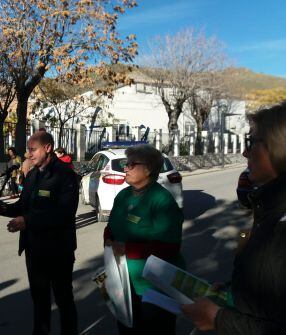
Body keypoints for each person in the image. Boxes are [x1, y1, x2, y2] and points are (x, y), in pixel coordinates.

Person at [182, 102, 286, 334]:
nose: (244, 152)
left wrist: (218, 319)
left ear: (279, 146)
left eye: (251, 142)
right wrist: (233, 292)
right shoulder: (268, 209)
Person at [0, 131, 79, 335]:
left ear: (48, 148)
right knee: (39, 301)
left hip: (58, 250)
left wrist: (27, 221)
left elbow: (64, 214)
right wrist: (6, 209)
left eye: (33, 150)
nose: (28, 154)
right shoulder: (33, 174)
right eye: (27, 150)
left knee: (63, 300)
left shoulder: (65, 175)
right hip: (34, 249)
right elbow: (24, 205)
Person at [103, 144, 184, 335]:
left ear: (148, 169)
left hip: (153, 287)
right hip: (122, 281)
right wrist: (109, 240)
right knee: (127, 327)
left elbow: (169, 247)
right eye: (125, 163)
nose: (125, 168)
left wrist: (126, 249)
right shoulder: (123, 195)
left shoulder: (161, 200)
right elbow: (111, 227)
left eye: (131, 164)